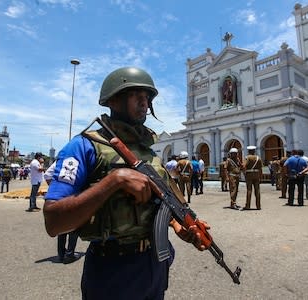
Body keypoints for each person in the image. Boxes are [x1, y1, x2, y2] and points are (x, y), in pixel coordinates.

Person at [43, 67, 209, 299]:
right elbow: (54, 222)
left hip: (154, 265)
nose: (145, 103)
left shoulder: (149, 153)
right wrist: (114, 180)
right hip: (112, 270)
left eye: (148, 98)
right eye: (136, 96)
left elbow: (157, 203)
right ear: (113, 100)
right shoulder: (83, 146)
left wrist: (176, 224)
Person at [44, 161, 79, 264]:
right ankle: (69, 254)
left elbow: (47, 175)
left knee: (62, 226)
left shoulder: (60, 161)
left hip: (60, 198)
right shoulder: (74, 159)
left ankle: (61, 254)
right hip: (72, 196)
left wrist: (55, 189)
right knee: (74, 227)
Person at [243, 146, 262, 210]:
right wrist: (260, 176)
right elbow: (260, 168)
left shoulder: (247, 157)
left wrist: (244, 173)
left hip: (249, 175)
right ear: (254, 151)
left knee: (249, 190)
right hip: (256, 175)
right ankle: (258, 206)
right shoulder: (258, 158)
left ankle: (248, 205)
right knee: (257, 190)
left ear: (249, 151)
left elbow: (244, 166)